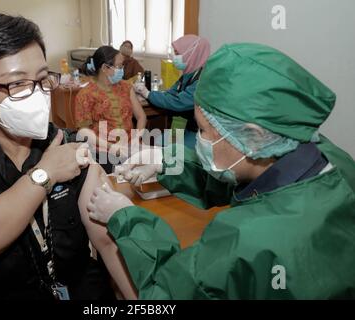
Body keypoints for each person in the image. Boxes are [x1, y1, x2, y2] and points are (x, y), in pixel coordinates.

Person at [86, 43, 355, 299]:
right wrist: (166, 160)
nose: (199, 138)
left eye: (203, 130)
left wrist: (125, 218)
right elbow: (241, 179)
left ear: (254, 136)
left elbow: (167, 291)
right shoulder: (330, 161)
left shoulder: (246, 239)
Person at [0, 13, 136, 300]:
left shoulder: (61, 141)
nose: (37, 95)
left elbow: (107, 243)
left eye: (41, 79)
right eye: (16, 84)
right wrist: (45, 173)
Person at [75, 46, 147, 173]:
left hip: (130, 148)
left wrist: (137, 138)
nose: (122, 70)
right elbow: (84, 131)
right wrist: (112, 147)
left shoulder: (126, 87)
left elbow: (141, 117)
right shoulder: (86, 94)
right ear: (104, 68)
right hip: (103, 151)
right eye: (119, 66)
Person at [134, 35, 211, 148]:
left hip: (198, 132)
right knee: (158, 143)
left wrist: (148, 94)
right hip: (183, 127)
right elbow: (170, 93)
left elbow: (178, 102)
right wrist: (147, 95)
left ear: (191, 54)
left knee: (170, 152)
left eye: (178, 53)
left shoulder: (203, 79)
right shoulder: (187, 75)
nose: (175, 57)